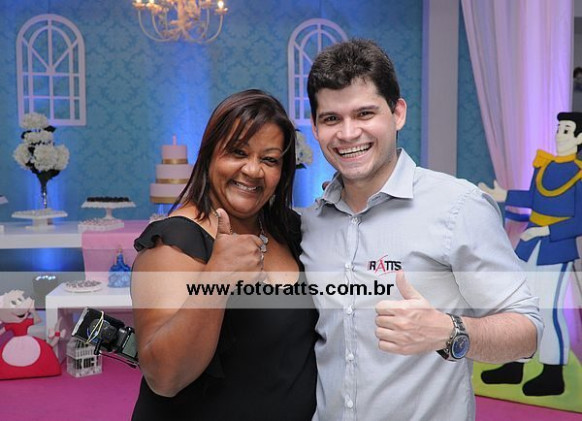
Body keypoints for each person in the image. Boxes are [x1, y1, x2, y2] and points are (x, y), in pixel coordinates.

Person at [300, 39, 543, 421]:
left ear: (397, 113)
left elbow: (527, 332)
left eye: (365, 113)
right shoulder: (310, 224)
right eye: (331, 119)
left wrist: (450, 332)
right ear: (315, 127)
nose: (348, 133)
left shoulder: (458, 207)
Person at [130, 89, 318, 421]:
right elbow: (164, 377)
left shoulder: (289, 229)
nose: (253, 170)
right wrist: (217, 277)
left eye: (269, 160)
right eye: (238, 152)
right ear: (210, 155)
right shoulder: (172, 243)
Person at [479, 111, 582, 396]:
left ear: (579, 138)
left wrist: (546, 231)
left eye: (566, 130)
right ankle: (515, 365)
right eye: (559, 128)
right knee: (519, 305)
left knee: (548, 309)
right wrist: (504, 196)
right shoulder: (544, 165)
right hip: (529, 245)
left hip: (555, 249)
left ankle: (552, 373)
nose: (559, 134)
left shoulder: (579, 174)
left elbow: (579, 220)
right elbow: (535, 199)